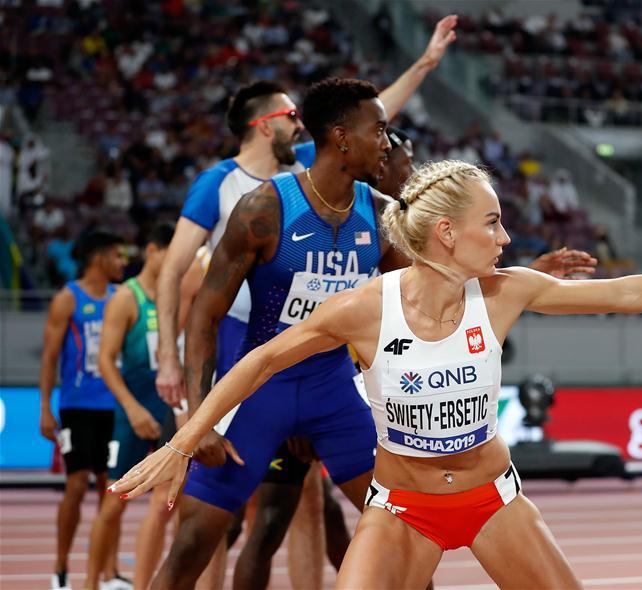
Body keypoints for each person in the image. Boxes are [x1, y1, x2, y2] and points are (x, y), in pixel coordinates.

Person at [111, 159, 642, 588]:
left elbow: (626, 293)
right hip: (403, 511)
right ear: (447, 233)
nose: (505, 239)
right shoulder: (363, 307)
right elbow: (260, 360)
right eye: (493, 223)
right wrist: (181, 441)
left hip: (492, 502)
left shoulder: (503, 293)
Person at [151, 17, 461, 588]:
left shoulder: (378, 215)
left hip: (333, 396)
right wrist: (200, 418)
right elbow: (204, 315)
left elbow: (426, 294)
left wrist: (519, 277)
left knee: (404, 539)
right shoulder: (262, 209)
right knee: (194, 543)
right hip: (258, 392)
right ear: (341, 138)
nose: (387, 143)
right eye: (379, 131)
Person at [85, 223, 176, 590]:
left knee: (169, 505)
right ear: (153, 252)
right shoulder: (127, 296)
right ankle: (92, 582)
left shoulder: (176, 294)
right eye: (172, 255)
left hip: (170, 410)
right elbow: (106, 360)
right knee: (114, 501)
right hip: (131, 414)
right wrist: (133, 409)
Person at [38, 230, 128, 590]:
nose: (123, 263)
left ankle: (109, 572)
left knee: (113, 488)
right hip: (77, 407)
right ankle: (60, 567)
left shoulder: (122, 298)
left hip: (115, 407)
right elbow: (49, 358)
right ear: (98, 258)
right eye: (117, 256)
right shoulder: (67, 299)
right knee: (76, 485)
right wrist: (45, 408)